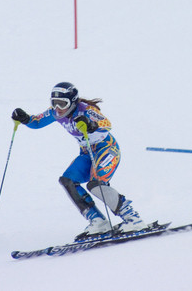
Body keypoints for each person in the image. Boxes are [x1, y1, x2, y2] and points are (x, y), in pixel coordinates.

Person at [11, 82, 144, 237]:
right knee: (68, 181)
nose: (58, 108)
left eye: (62, 103)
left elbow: (106, 124)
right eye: (54, 103)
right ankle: (98, 222)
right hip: (87, 154)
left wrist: (91, 124)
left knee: (96, 184)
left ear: (73, 102)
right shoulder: (55, 113)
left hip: (107, 150)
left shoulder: (86, 110)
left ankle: (133, 219)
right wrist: (25, 119)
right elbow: (38, 122)